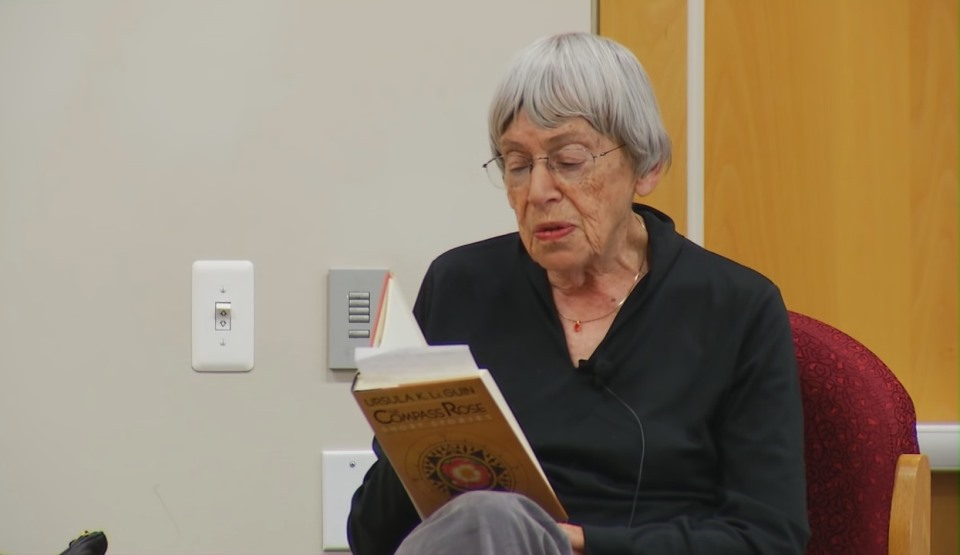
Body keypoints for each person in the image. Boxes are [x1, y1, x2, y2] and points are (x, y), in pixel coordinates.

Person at [347, 32, 809, 554]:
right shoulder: (460, 286)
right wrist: (414, 437)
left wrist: (581, 543)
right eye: (517, 165)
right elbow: (371, 536)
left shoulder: (734, 308)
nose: (538, 191)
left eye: (568, 161)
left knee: (494, 520)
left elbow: (769, 539)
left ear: (646, 168)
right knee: (484, 519)